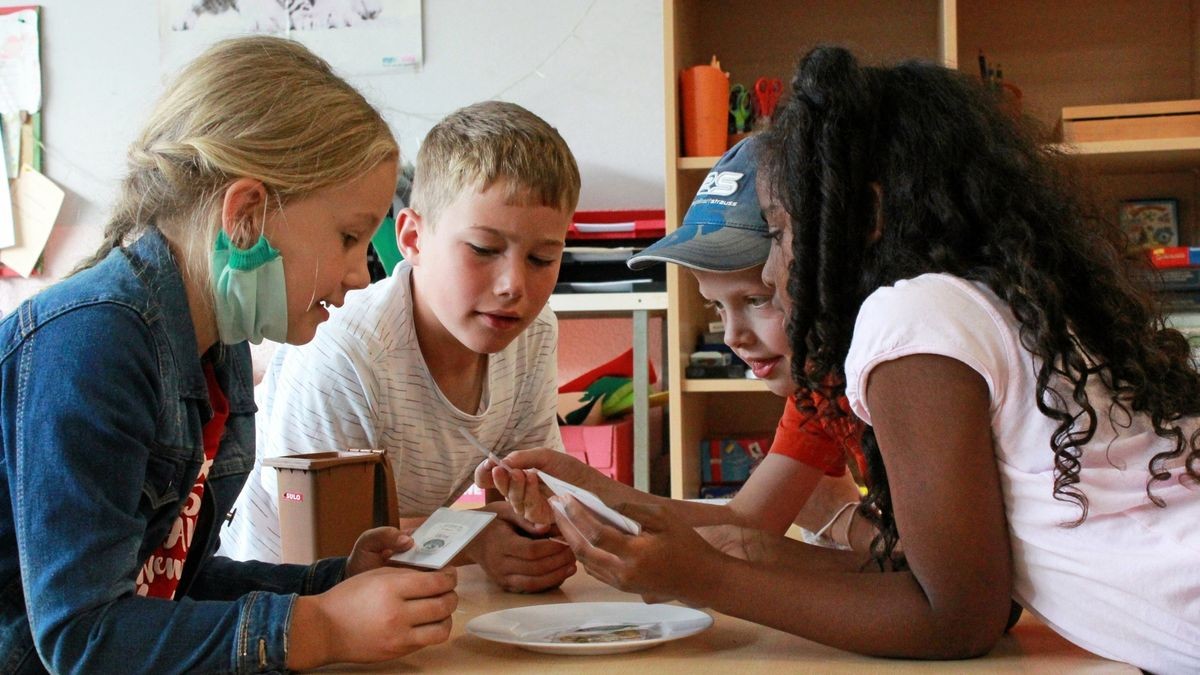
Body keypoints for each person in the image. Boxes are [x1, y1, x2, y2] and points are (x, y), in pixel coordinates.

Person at [489, 46, 1200, 673]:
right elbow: (957, 581)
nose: (770, 268)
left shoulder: (908, 318)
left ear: (864, 217)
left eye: (778, 231)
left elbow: (960, 617)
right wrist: (595, 492)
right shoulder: (990, 299)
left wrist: (707, 576)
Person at [0, 37, 459, 672]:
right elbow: (83, 639)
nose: (362, 272)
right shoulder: (94, 342)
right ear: (244, 214)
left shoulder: (220, 347)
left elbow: (165, 588)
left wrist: (328, 585)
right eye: (350, 236)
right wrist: (319, 628)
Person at [221, 100, 580, 593]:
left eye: (542, 258)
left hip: (414, 589)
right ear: (412, 237)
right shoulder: (346, 350)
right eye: (482, 249)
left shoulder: (533, 332)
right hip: (281, 602)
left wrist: (535, 525)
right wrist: (471, 539)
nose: (513, 285)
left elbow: (519, 493)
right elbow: (324, 546)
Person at [480, 135, 870, 550]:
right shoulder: (817, 392)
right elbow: (747, 520)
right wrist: (583, 485)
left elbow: (931, 571)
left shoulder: (896, 377)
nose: (734, 336)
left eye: (758, 299)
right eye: (717, 307)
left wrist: (845, 521)